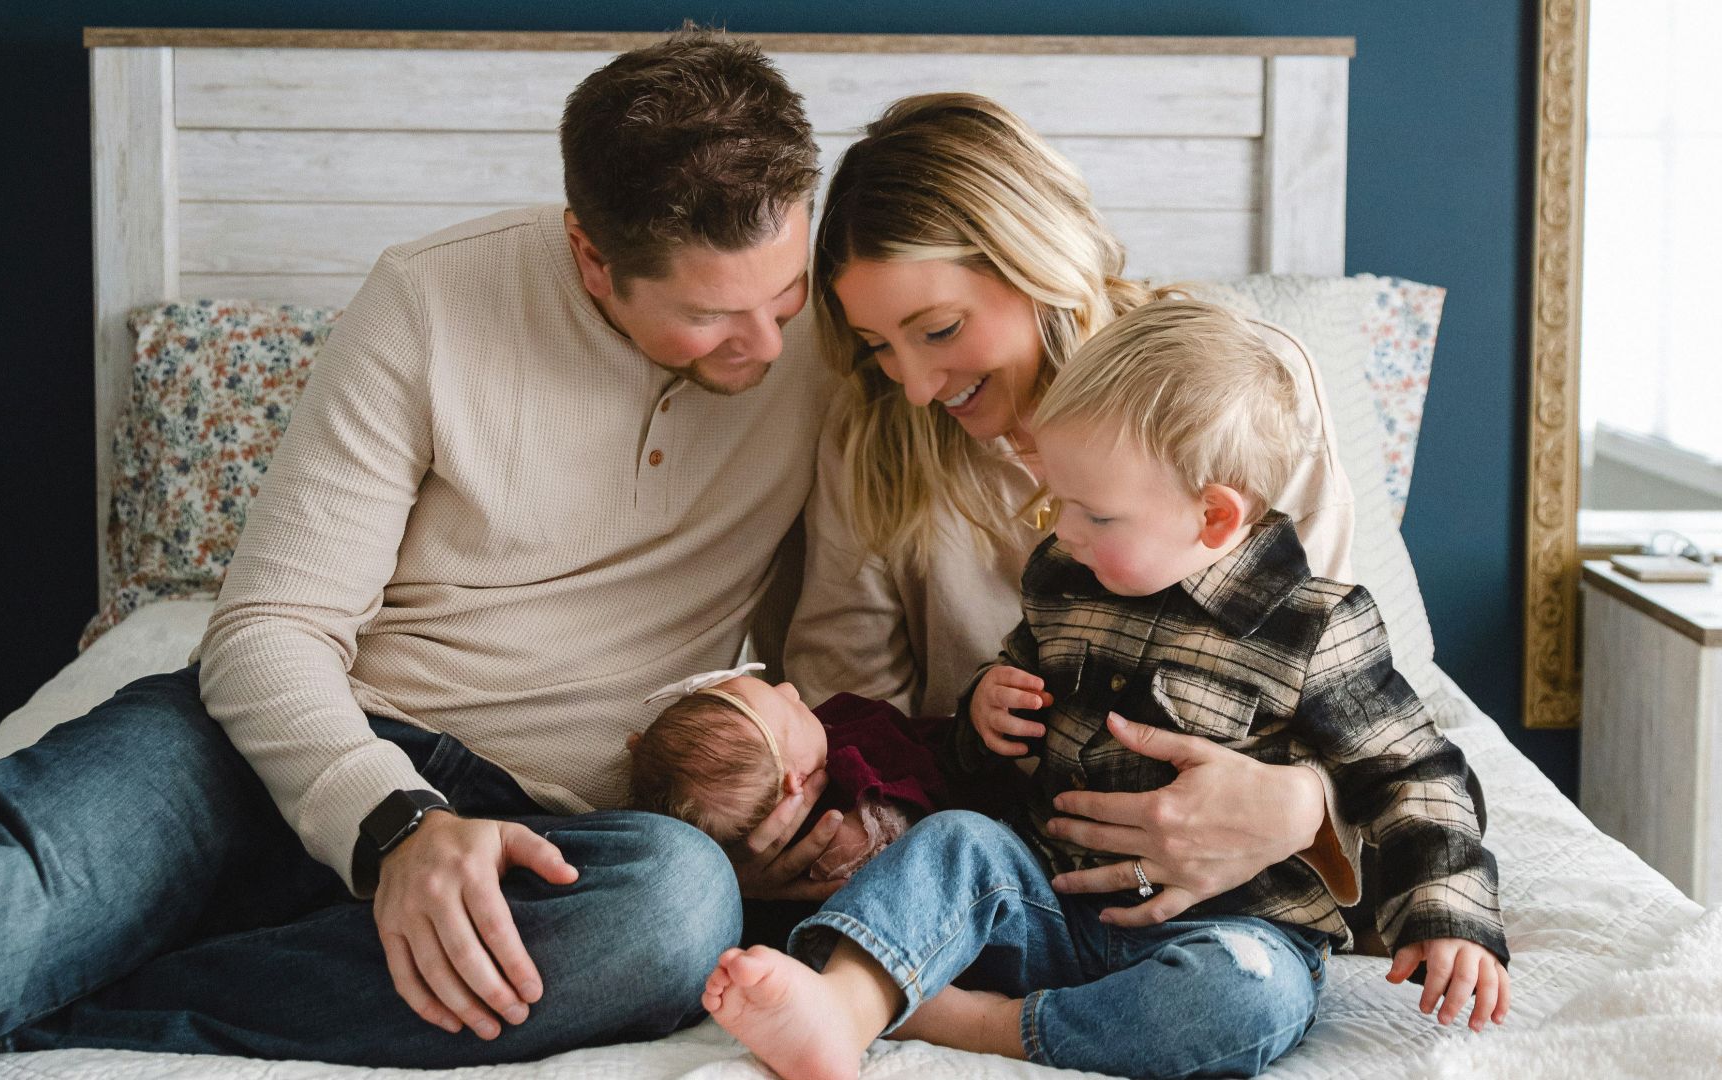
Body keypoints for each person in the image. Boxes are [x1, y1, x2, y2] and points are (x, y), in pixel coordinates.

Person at [0, 31, 851, 1078]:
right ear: (592, 254)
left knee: (675, 908)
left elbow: (868, 620)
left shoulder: (846, 344)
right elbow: (269, 630)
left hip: (552, 836)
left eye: (784, 296)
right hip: (271, 753)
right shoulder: (430, 298)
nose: (763, 346)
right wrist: (397, 824)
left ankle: (71, 1006)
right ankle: (36, 955)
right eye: (710, 318)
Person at [705, 299, 1509, 1080]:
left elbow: (1416, 775)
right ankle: (841, 1006)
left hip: (1220, 925)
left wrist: (1450, 920)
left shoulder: (1314, 628)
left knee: (1250, 997)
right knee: (954, 842)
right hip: (1046, 897)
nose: (1063, 533)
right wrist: (986, 708)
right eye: (1059, 504)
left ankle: (978, 1024)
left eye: (1096, 515)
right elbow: (998, 728)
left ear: (1215, 518)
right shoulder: (1064, 582)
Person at [783, 92, 1368, 926]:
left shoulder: (1241, 389)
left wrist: (1297, 807)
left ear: (1037, 263)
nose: (912, 385)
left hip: (1227, 859)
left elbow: (1337, 683)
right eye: (879, 346)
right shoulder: (877, 437)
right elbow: (853, 708)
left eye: (940, 329)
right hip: (999, 851)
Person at [627, 663, 948, 881]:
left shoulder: (829, 730)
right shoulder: (850, 821)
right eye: (790, 709)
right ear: (797, 783)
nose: (791, 688)